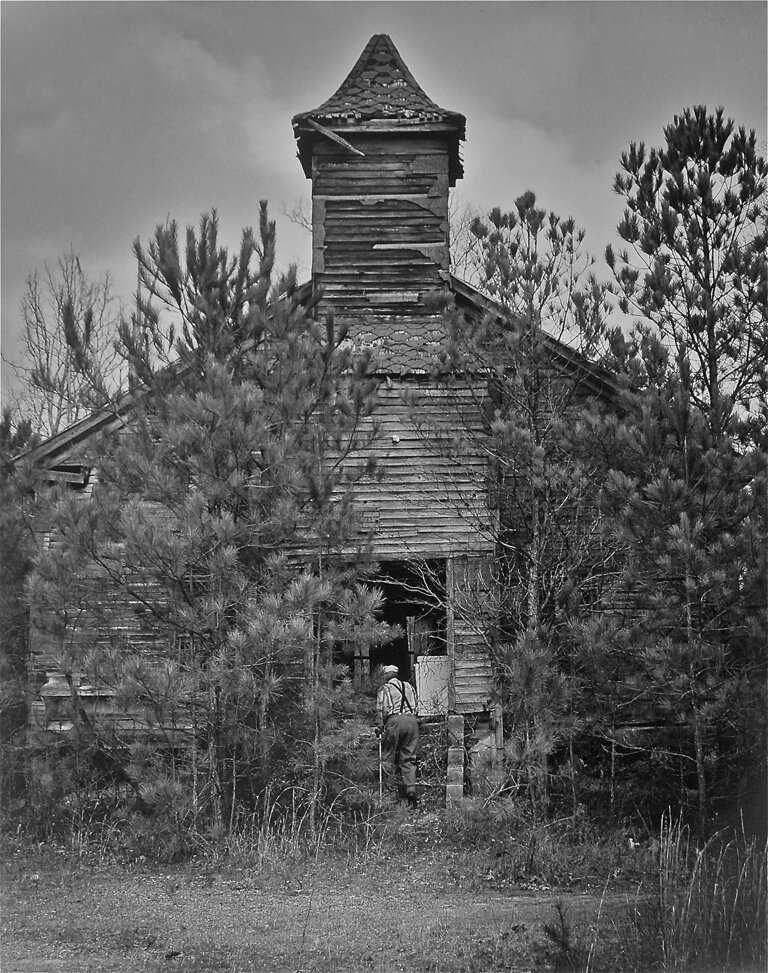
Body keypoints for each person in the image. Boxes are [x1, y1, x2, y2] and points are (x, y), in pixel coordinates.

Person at [376, 664, 419, 808]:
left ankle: (389, 794)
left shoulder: (385, 689)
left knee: (388, 757)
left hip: (394, 721)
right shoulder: (409, 687)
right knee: (409, 757)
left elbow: (381, 709)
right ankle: (410, 791)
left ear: (386, 676)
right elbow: (416, 706)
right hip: (412, 721)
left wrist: (380, 727)